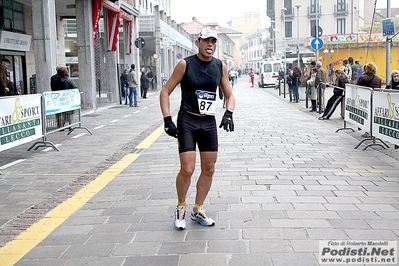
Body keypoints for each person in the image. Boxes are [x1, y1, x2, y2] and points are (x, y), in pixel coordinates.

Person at [159, 27, 235, 230]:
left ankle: (198, 209)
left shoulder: (220, 66)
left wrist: (229, 112)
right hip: (188, 121)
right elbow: (165, 91)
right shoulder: (185, 64)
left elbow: (230, 95)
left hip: (208, 123)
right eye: (206, 40)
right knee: (188, 168)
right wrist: (168, 120)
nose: (210, 44)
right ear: (198, 42)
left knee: (209, 169)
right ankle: (181, 206)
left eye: (213, 41)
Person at [356, 62, 382, 138]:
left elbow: (357, 88)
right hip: (375, 100)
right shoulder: (378, 79)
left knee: (366, 115)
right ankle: (373, 131)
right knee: (372, 116)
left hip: (364, 100)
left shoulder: (363, 78)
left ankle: (367, 131)